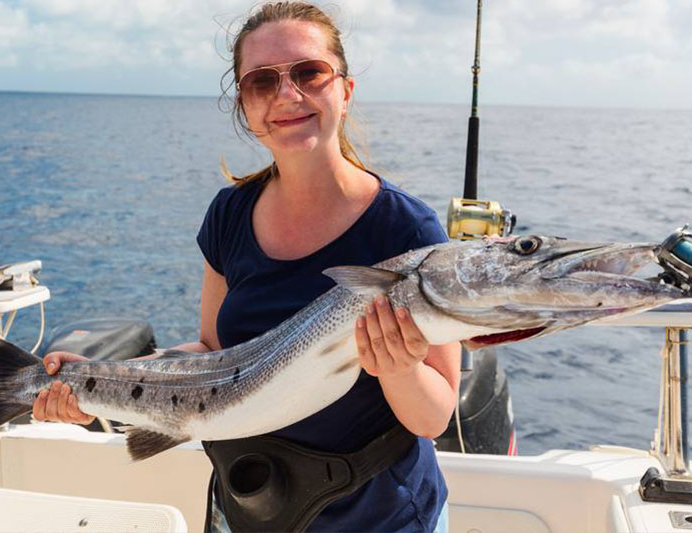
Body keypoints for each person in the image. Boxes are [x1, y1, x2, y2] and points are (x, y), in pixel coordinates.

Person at [32, 2, 460, 531]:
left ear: (345, 91)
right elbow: (213, 353)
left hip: (380, 518)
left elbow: (433, 417)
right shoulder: (229, 214)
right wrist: (95, 382)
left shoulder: (406, 231)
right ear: (246, 107)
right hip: (250, 504)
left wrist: (397, 366)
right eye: (262, 82)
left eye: (309, 73)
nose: (287, 95)